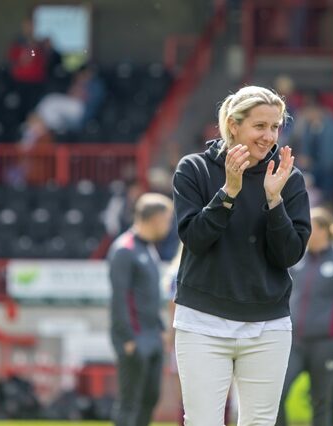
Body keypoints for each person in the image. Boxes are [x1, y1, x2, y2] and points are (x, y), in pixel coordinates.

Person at [172, 85, 312, 425]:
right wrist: (228, 193)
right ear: (233, 125)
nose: (269, 136)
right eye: (259, 126)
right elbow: (195, 238)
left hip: (268, 324)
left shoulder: (287, 178)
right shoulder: (194, 169)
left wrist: (274, 201)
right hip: (202, 321)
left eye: (275, 126)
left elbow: (289, 254)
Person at [276, 207, 333, 426]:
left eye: (313, 228)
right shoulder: (297, 259)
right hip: (295, 342)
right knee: (276, 394)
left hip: (328, 343)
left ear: (326, 230)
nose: (308, 232)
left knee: (322, 403)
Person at [107, 193, 174, 426]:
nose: (168, 226)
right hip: (134, 337)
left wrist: (161, 329)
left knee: (150, 399)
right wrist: (127, 338)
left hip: (152, 336)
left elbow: (150, 297)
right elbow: (119, 297)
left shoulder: (149, 249)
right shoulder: (124, 249)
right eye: (166, 220)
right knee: (129, 402)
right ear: (155, 218)